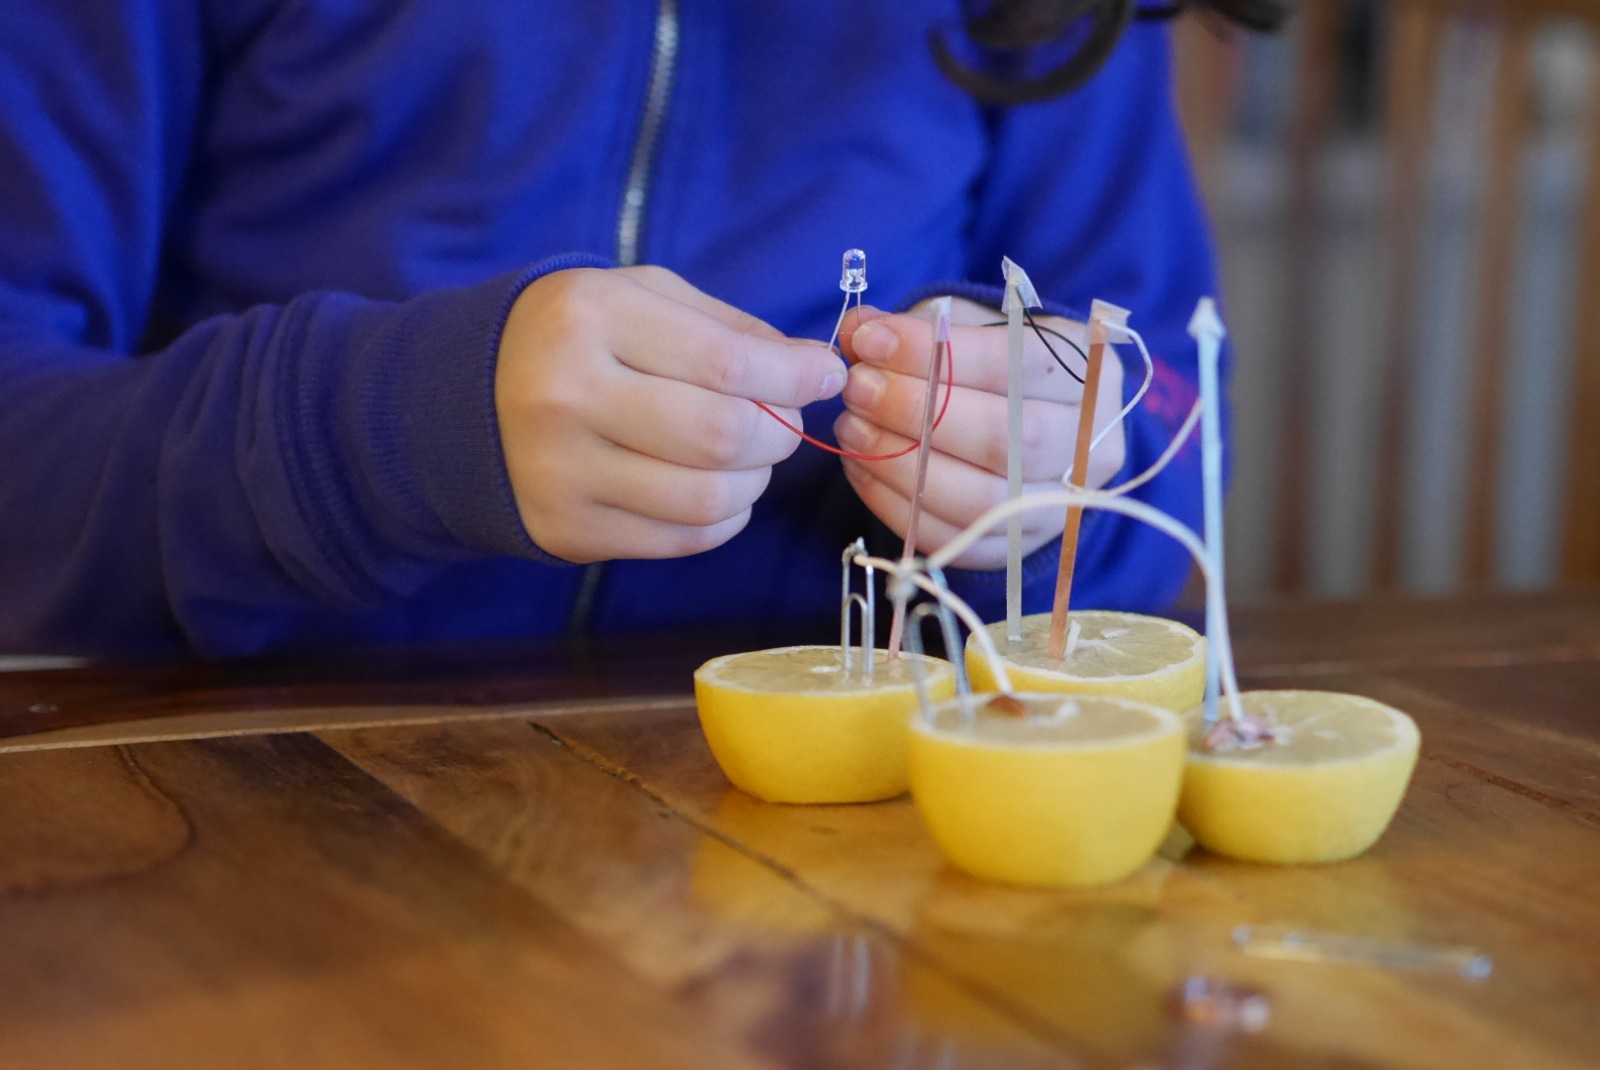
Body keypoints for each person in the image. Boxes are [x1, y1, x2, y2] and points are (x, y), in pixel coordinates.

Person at [0, 0, 1277, 657]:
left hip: (848, 872)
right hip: (255, 826)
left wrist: (1056, 470)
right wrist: (394, 434)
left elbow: (1166, 406)